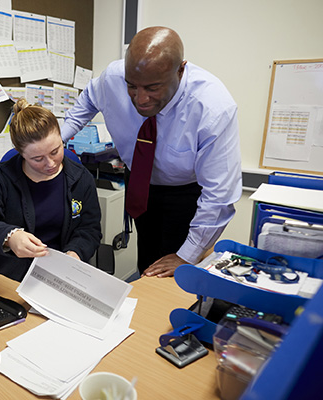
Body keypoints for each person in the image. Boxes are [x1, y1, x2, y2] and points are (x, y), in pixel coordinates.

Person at [61, 26, 242, 278]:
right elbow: (90, 97)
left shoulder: (212, 107)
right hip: (139, 182)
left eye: (152, 88)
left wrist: (185, 256)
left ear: (180, 70)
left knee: (176, 272)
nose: (140, 99)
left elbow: (219, 196)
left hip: (185, 192)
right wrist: (56, 139)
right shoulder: (114, 76)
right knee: (147, 260)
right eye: (132, 87)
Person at [0, 98, 102, 282]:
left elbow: (90, 228)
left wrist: (75, 253)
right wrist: (10, 237)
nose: (51, 163)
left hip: (60, 275)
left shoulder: (81, 178)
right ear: (20, 152)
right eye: (38, 159)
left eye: (55, 151)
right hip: (8, 275)